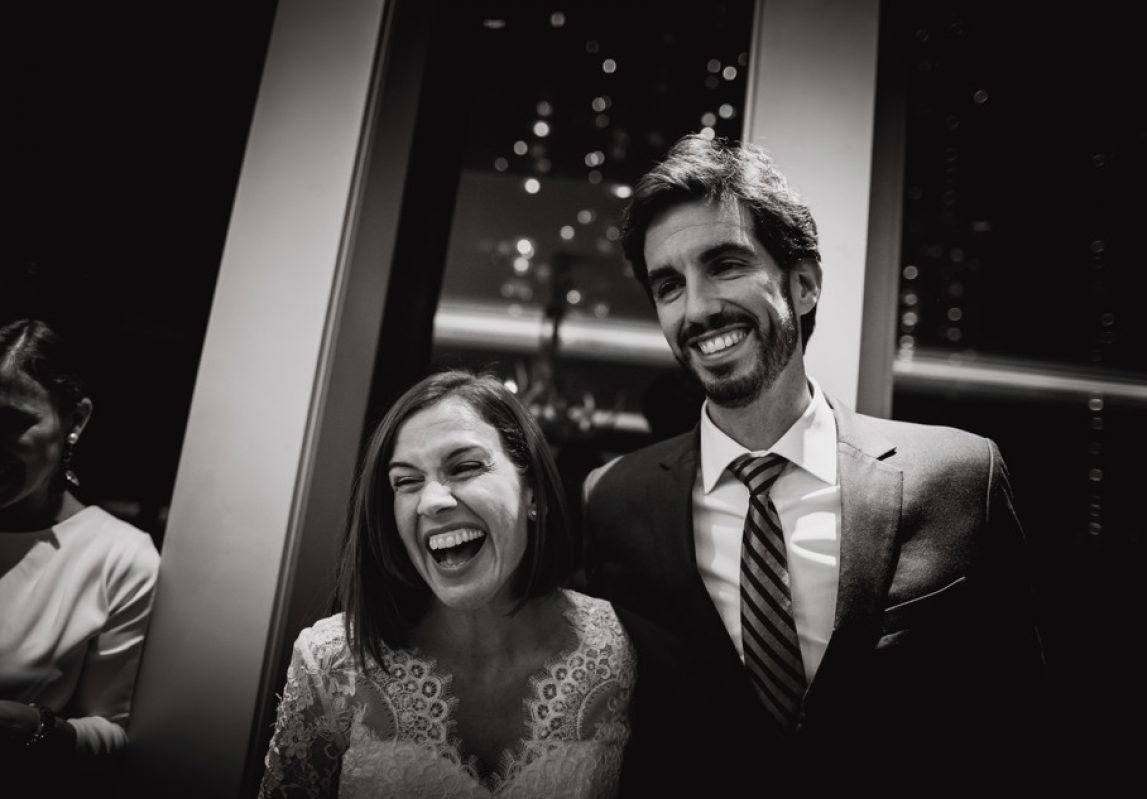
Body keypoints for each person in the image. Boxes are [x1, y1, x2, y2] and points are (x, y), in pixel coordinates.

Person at [582, 135, 1048, 793]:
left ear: (803, 285)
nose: (698, 307)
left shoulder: (962, 477)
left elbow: (1021, 731)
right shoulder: (612, 502)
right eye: (669, 286)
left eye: (725, 264)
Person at [259, 370, 635, 798]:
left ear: (534, 494)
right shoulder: (330, 664)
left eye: (466, 467)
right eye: (406, 481)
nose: (432, 502)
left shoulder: (619, 652)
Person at [0, 319, 160, 783]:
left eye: (13, 422)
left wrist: (31, 727)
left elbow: (113, 733)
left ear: (75, 421)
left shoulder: (119, 558)